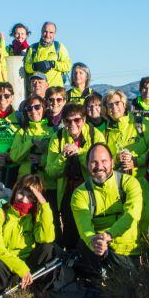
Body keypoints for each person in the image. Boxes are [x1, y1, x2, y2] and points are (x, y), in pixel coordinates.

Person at [0, 174, 67, 298]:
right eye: (21, 193)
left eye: (31, 197)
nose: (24, 199)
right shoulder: (0, 213)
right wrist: (21, 268)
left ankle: (40, 293)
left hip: (27, 264)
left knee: (48, 248)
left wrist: (44, 206)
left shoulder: (34, 216)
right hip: (6, 264)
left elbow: (46, 238)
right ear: (15, 191)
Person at [71, 144, 142, 298]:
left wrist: (109, 235)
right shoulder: (80, 194)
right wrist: (94, 242)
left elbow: (132, 215)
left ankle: (110, 279)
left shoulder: (130, 183)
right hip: (100, 249)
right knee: (83, 243)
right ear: (87, 165)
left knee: (130, 290)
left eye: (104, 161)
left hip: (127, 249)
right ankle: (96, 283)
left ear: (112, 162)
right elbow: (84, 226)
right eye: (94, 162)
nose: (99, 166)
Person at [46, 104, 106, 248]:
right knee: (70, 234)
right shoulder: (58, 138)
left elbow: (101, 167)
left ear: (84, 120)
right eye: (68, 121)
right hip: (68, 194)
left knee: (92, 231)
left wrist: (78, 153)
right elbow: (50, 171)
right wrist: (62, 156)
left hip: (92, 192)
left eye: (77, 120)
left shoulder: (95, 135)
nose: (72, 124)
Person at [102, 89, 149, 175]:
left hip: (144, 181)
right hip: (119, 183)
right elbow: (104, 162)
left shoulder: (140, 123)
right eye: (110, 104)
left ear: (124, 105)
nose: (114, 107)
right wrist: (117, 159)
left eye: (117, 103)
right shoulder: (105, 133)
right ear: (106, 109)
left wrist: (136, 161)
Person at [9, 95, 52, 181]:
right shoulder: (22, 132)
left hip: (47, 183)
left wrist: (41, 160)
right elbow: (14, 157)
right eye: (29, 108)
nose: (33, 111)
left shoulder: (52, 131)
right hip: (25, 180)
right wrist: (31, 142)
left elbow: (57, 158)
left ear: (44, 108)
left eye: (37, 107)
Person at [23, 21, 72, 88]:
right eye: (45, 31)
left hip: (55, 91)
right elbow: (26, 67)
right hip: (38, 89)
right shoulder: (33, 48)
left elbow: (68, 65)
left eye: (51, 32)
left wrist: (53, 64)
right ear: (41, 32)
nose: (47, 35)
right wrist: (35, 66)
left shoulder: (59, 47)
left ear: (55, 34)